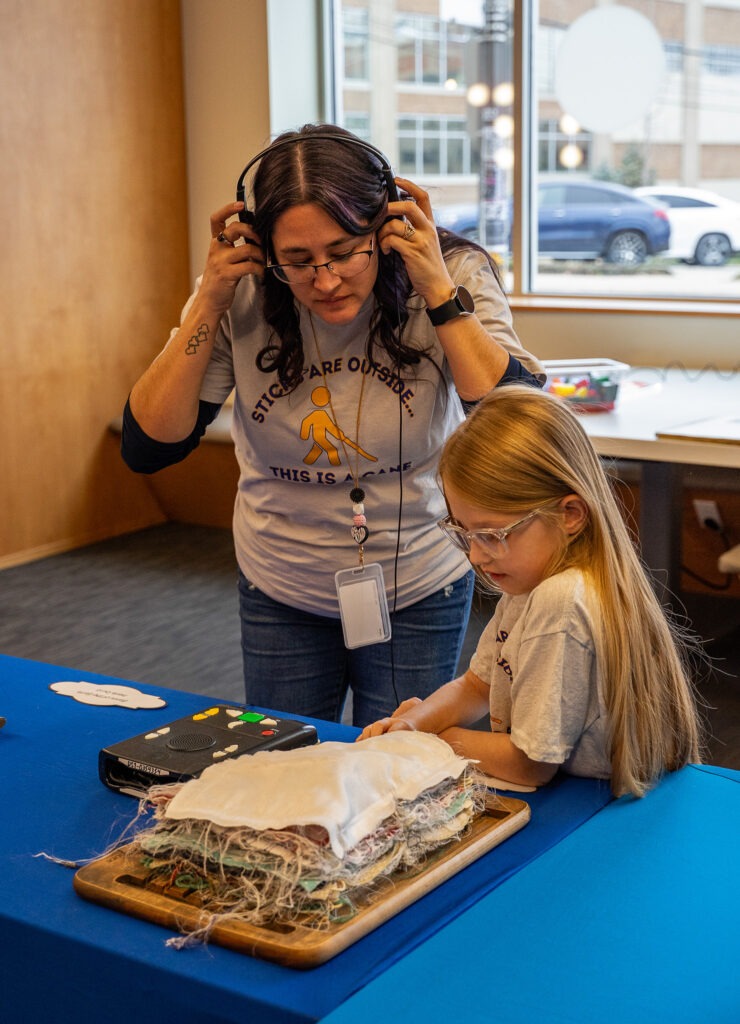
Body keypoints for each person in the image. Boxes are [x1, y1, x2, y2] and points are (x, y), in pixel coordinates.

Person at [121, 123, 543, 728]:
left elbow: (516, 418)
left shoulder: (451, 274)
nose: (324, 280)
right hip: (281, 582)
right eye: (296, 261)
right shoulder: (242, 290)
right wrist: (207, 303)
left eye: (345, 251)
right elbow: (148, 446)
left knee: (400, 769)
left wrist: (436, 290)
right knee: (284, 764)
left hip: (419, 578)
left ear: (388, 226)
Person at [359, 385, 703, 797]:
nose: (474, 556)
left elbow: (530, 764)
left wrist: (431, 740)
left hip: (588, 808)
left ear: (570, 514)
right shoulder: (529, 580)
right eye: (464, 534)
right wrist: (414, 722)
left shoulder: (560, 599)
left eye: (490, 534)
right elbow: (477, 686)